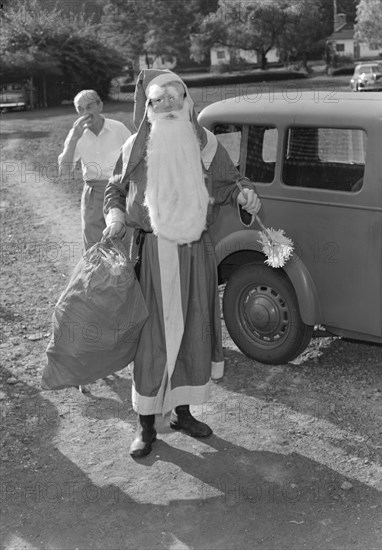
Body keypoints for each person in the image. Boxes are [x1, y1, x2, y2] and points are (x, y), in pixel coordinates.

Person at [103, 69, 261, 459]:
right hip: (152, 255)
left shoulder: (205, 144)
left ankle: (184, 413)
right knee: (152, 337)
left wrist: (244, 196)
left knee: (192, 328)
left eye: (177, 97)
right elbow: (115, 189)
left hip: (194, 253)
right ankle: (145, 425)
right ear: (150, 107)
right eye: (160, 99)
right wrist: (115, 217)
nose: (169, 104)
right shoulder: (134, 147)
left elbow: (229, 183)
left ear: (188, 100)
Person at [58, 89, 131, 250]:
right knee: (93, 246)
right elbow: (65, 170)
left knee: (123, 243)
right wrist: (73, 139)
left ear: (100, 105)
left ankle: (124, 275)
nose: (86, 113)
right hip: (93, 193)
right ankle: (96, 275)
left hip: (120, 191)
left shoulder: (118, 129)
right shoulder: (76, 134)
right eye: (80, 109)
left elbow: (136, 160)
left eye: (90, 106)